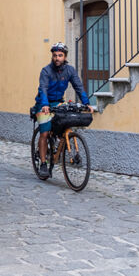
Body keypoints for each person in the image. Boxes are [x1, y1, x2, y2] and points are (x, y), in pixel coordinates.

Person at [33, 42, 93, 178]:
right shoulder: (46, 71)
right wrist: (44, 104)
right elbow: (43, 88)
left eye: (60, 55)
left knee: (66, 123)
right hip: (43, 103)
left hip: (58, 102)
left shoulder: (70, 70)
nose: (57, 58)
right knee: (44, 133)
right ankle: (43, 163)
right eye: (55, 55)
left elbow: (78, 86)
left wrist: (86, 103)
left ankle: (58, 143)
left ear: (65, 57)